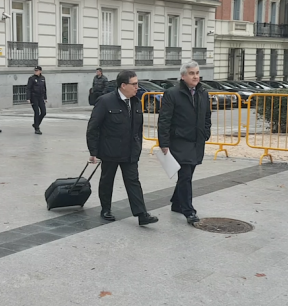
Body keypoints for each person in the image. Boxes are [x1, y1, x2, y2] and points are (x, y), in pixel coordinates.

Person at [86, 70, 158, 226]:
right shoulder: (105, 101)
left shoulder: (136, 101)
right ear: (123, 85)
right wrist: (93, 152)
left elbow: (138, 128)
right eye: (134, 84)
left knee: (133, 181)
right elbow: (93, 127)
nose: (137, 87)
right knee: (107, 181)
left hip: (130, 151)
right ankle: (106, 209)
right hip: (110, 150)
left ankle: (141, 214)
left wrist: (138, 145)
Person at [157, 61, 211, 224]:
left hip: (197, 141)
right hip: (180, 141)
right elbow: (164, 120)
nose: (196, 76)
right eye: (192, 73)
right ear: (183, 76)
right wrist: (164, 143)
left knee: (186, 175)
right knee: (185, 175)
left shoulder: (203, 93)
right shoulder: (172, 93)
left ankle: (176, 203)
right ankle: (189, 211)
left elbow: (207, 115)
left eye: (197, 73)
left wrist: (206, 132)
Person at [26, 66, 47, 135]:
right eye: (35, 70)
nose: (36, 72)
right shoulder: (31, 78)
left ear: (40, 71)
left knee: (43, 112)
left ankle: (36, 124)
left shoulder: (42, 78)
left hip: (40, 97)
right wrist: (28, 98)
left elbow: (44, 88)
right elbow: (28, 88)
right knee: (37, 112)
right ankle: (37, 128)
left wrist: (45, 98)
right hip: (34, 97)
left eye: (37, 70)